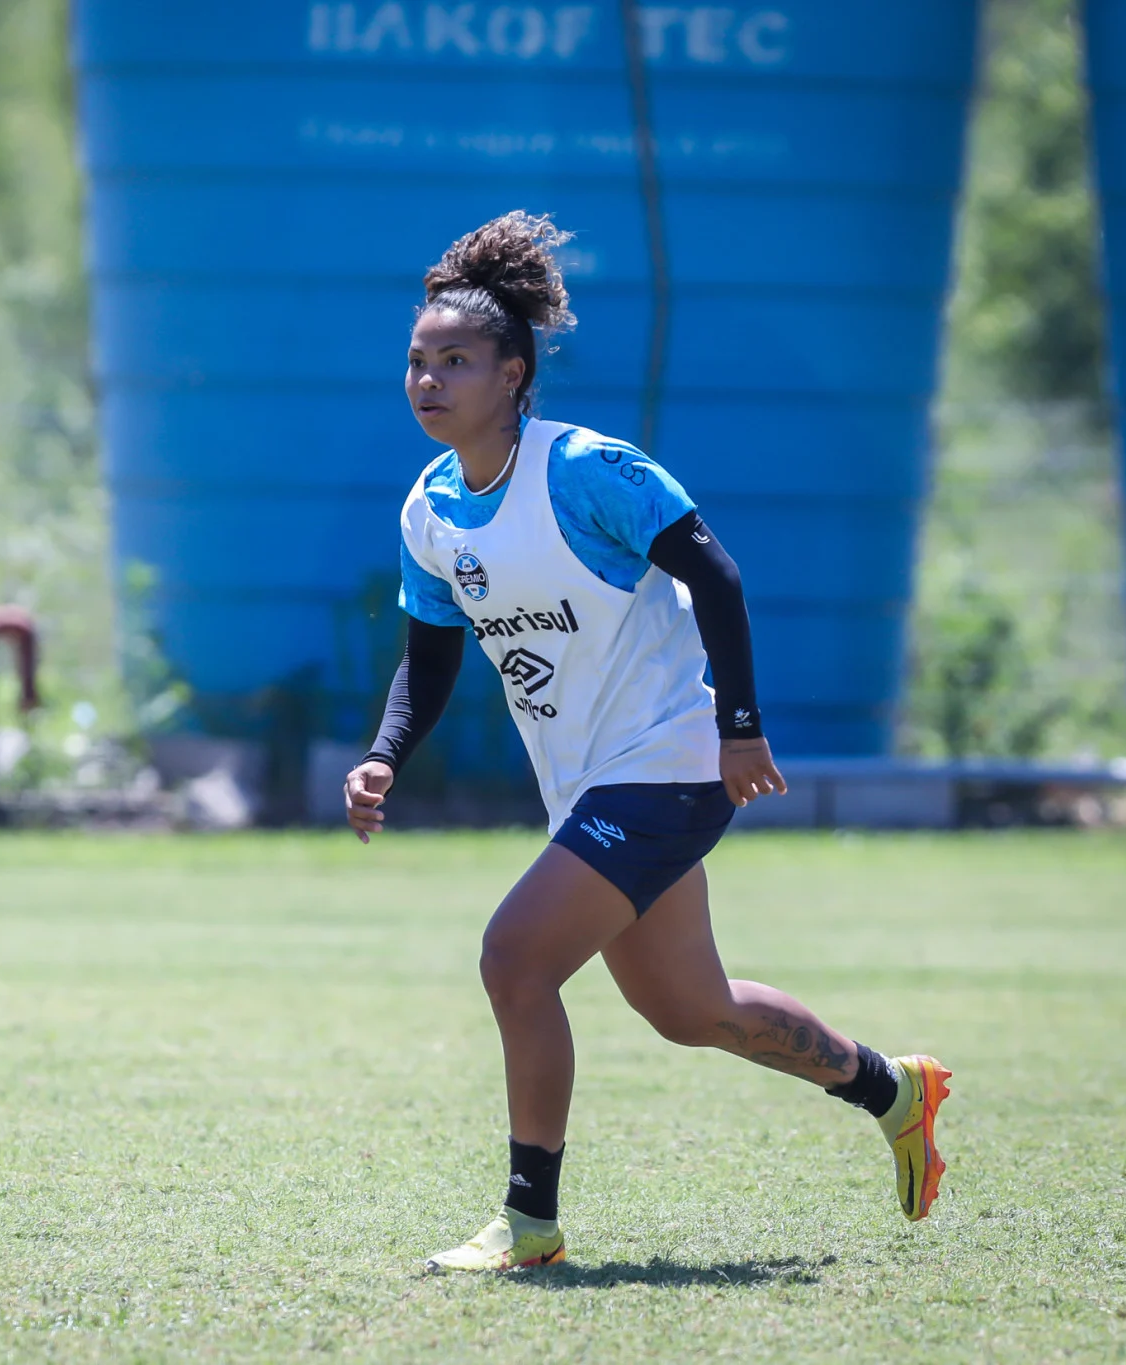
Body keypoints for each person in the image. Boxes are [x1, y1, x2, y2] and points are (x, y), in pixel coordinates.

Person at [344, 211, 952, 1274]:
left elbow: (712, 571)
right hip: (590, 788)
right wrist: (387, 751)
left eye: (454, 361)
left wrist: (738, 728)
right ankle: (891, 1088)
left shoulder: (584, 471)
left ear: (514, 373)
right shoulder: (430, 510)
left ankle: (529, 1223)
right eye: (416, 360)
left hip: (666, 766)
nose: (427, 380)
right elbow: (430, 655)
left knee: (512, 959)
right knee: (689, 1010)